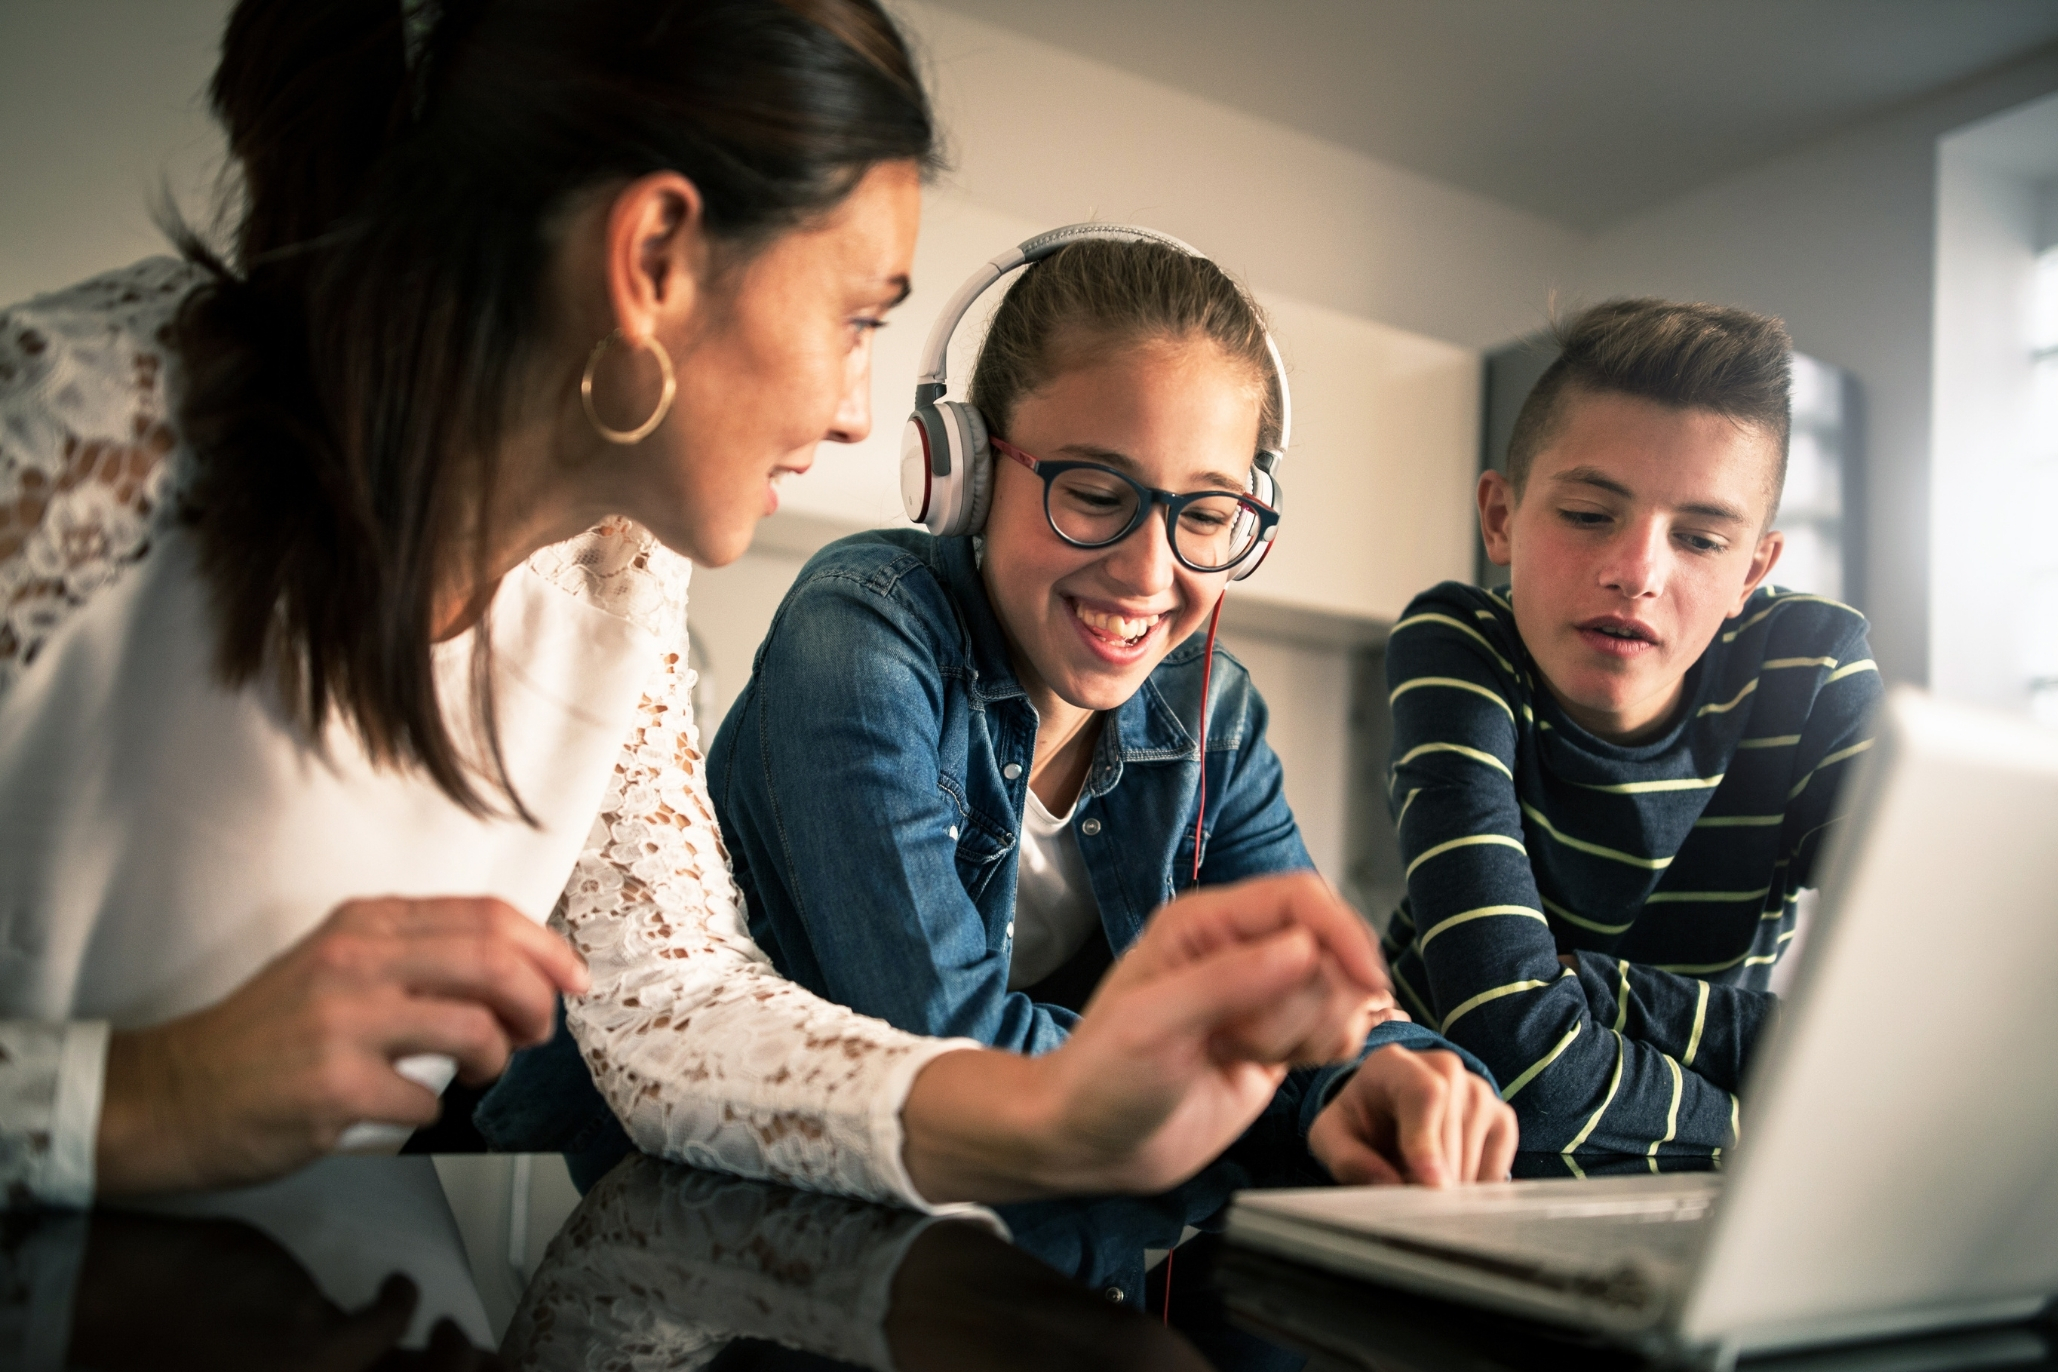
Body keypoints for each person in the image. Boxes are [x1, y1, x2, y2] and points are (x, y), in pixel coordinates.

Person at [0, 0, 1445, 1213]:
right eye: (856, 316)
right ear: (652, 263)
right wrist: (136, 1095)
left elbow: (676, 1009)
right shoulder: (64, 436)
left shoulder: (616, 574)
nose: (853, 410)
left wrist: (1065, 1116)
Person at [706, 235, 1518, 1190]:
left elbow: (1320, 1005)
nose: (1147, 572)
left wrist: (1380, 1074)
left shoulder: (1212, 710)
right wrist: (1256, 1071)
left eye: (1209, 516)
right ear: (963, 472)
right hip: (747, 1215)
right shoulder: (862, 632)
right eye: (1093, 494)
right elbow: (942, 1045)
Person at [1380, 299, 1884, 1159]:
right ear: (1501, 519)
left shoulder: (1813, 666)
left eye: (1700, 538)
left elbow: (1908, 1047)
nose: (1637, 573)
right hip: (1437, 1181)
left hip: (1684, 1208)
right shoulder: (1458, 646)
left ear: (1752, 573)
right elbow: (1522, 1070)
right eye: (1587, 514)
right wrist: (1772, 1127)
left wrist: (1601, 994)